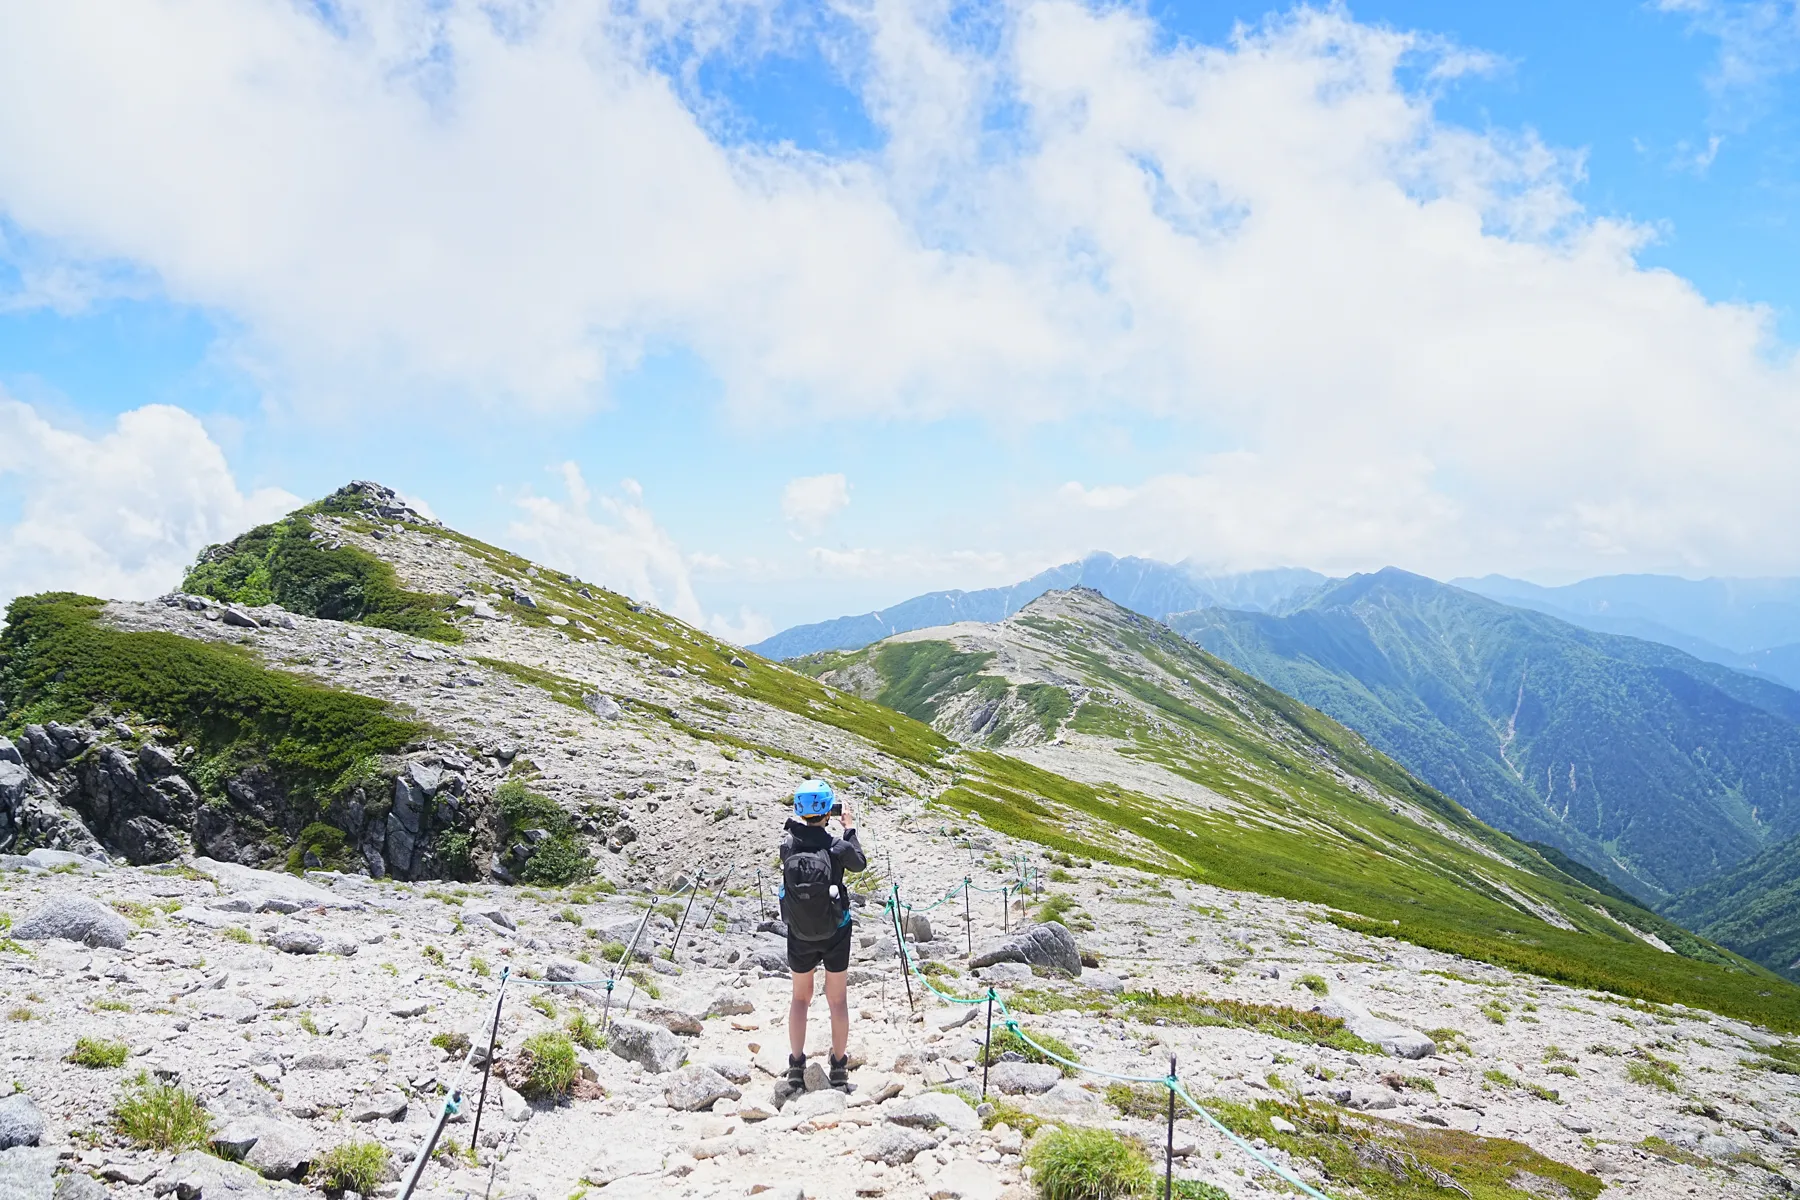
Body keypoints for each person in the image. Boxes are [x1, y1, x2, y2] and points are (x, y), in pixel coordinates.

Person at [779, 777, 865, 1093]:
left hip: (799, 931)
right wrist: (849, 829)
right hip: (835, 930)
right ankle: (839, 1067)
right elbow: (859, 864)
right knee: (837, 999)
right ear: (828, 810)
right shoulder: (837, 846)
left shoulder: (788, 845)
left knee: (800, 997)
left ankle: (796, 1066)